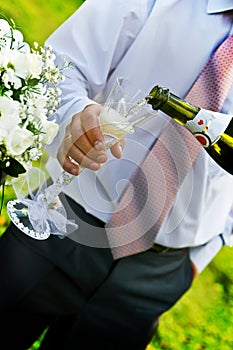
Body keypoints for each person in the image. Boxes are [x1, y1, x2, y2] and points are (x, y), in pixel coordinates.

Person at [1, 1, 233, 349]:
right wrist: (75, 114)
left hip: (159, 272)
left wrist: (204, 252)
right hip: (63, 221)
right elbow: (59, 65)